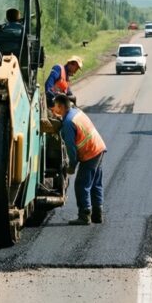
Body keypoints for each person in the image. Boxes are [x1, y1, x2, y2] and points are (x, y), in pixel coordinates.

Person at [52, 93, 107, 225]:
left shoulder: (68, 123)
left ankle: (84, 215)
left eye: (54, 107)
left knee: (81, 185)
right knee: (95, 183)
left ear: (60, 107)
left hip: (90, 153)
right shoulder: (76, 112)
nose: (53, 109)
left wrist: (72, 165)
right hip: (99, 148)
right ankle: (97, 214)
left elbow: (71, 148)